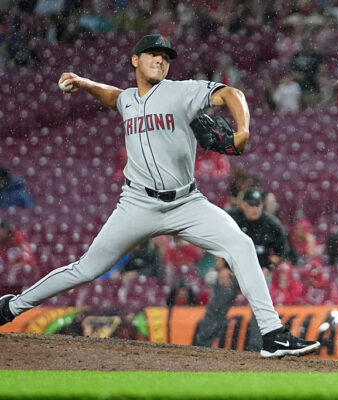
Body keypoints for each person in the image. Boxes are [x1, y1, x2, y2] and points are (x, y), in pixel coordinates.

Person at [0, 34, 319, 358]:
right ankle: (11, 307)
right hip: (137, 204)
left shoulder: (181, 92)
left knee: (241, 245)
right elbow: (115, 97)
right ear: (135, 60)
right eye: (152, 54)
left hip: (186, 202)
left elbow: (230, 93)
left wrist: (243, 129)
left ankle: (272, 335)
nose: (160, 60)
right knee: (86, 269)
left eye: (165, 57)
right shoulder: (127, 99)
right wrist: (84, 83)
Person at [194, 187, 292, 352]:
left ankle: (257, 350)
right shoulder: (231, 218)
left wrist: (268, 267)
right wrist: (222, 268)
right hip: (232, 270)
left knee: (261, 311)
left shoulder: (271, 223)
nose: (255, 208)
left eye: (258, 205)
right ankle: (201, 347)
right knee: (217, 307)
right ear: (242, 204)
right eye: (251, 205)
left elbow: (280, 251)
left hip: (258, 271)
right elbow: (214, 242)